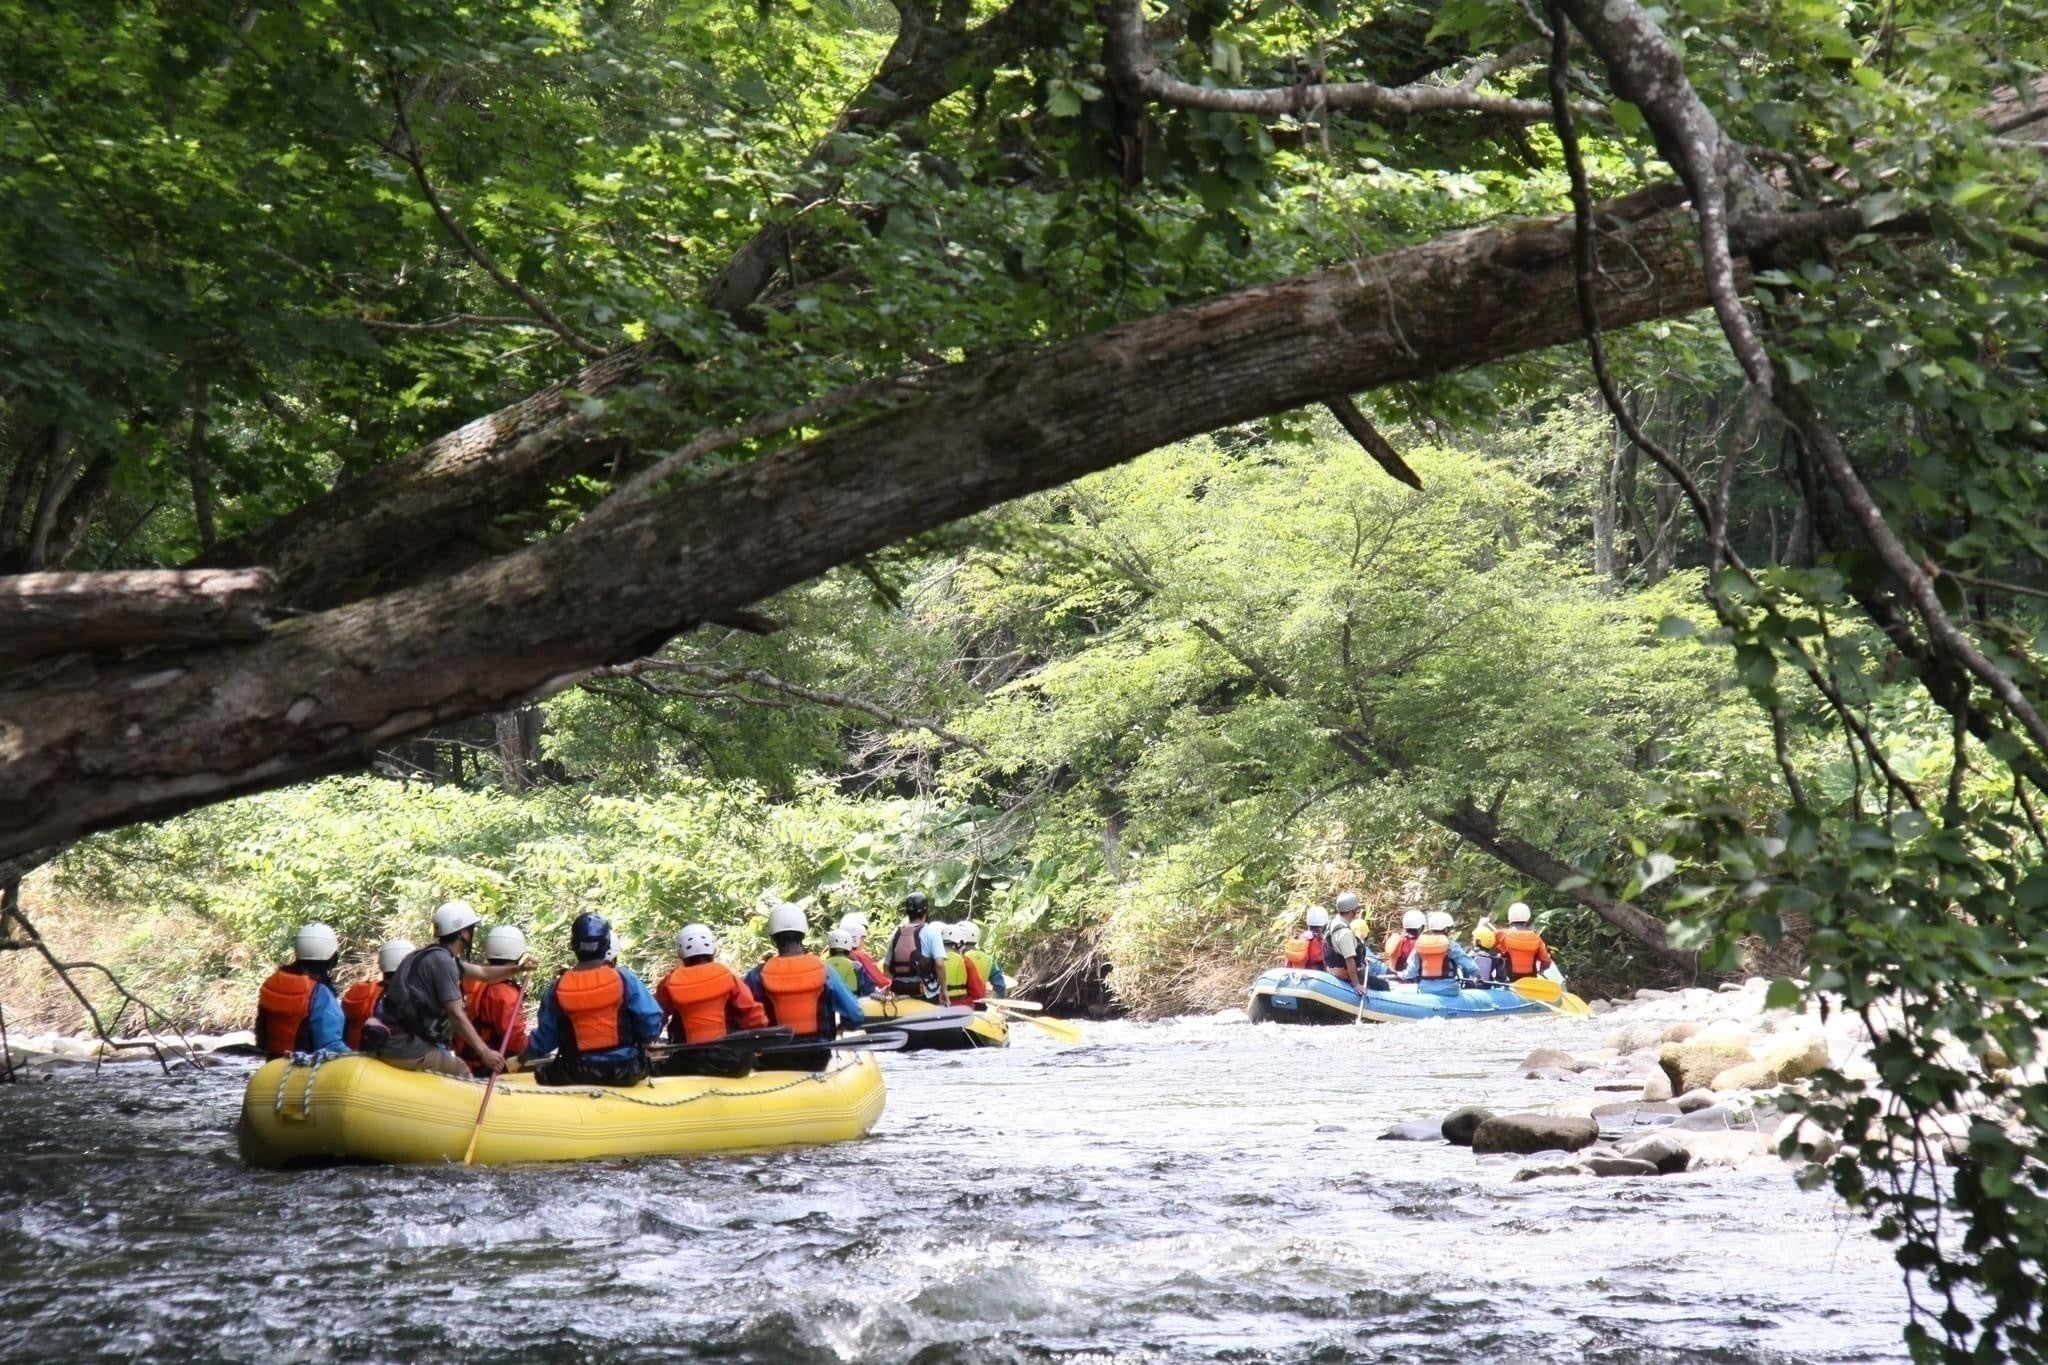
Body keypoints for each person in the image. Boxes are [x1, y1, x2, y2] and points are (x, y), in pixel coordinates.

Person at [374, 901, 531, 1078]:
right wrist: (485, 1052)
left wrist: (519, 969)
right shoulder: (443, 963)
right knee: (461, 1071)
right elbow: (455, 1014)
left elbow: (484, 973)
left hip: (393, 1038)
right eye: (470, 929)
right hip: (405, 1045)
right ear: (463, 933)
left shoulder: (424, 955)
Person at [520, 913, 664, 1086]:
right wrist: (648, 1039)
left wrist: (522, 1058)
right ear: (606, 944)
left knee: (544, 1073)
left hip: (575, 1072)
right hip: (625, 1070)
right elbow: (650, 1019)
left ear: (574, 945)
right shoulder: (625, 979)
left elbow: (545, 1039)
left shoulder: (556, 989)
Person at [746, 904, 867, 1042]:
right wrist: (844, 1025)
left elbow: (742, 1017)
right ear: (803, 934)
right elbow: (855, 1015)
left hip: (774, 1056)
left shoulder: (755, 976)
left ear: (773, 939)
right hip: (819, 1055)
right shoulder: (825, 971)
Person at [655, 922, 769, 1044]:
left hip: (686, 1055)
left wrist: (649, 1039)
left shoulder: (669, 983)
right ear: (713, 950)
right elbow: (752, 1013)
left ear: (680, 953)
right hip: (729, 1053)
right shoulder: (726, 976)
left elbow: (656, 1017)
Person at [256, 922, 351, 1059]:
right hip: (306, 1066)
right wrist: (357, 1057)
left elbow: (261, 1032)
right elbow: (330, 1045)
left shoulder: (271, 983)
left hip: (274, 1064)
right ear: (331, 956)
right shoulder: (320, 992)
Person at [457, 925, 531, 1076]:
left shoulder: (472, 980)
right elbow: (516, 1042)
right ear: (518, 955)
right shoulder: (505, 993)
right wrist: (536, 1046)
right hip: (488, 1066)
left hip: (463, 1060)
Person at [340, 938, 413, 1051]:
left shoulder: (358, 992)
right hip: (392, 1059)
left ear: (381, 964)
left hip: (357, 1059)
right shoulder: (410, 997)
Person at [885, 892, 948, 1000]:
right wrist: (944, 989)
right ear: (926, 911)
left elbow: (886, 967)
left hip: (899, 991)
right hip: (926, 992)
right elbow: (940, 964)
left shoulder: (897, 934)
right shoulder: (931, 932)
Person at [1402, 910, 1482, 994]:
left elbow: (1411, 972)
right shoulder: (1451, 945)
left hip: (1425, 990)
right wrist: (1478, 976)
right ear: (1446, 929)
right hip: (1449, 990)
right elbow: (1468, 964)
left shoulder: (1420, 944)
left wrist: (1403, 975)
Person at [1322, 894, 1387, 991]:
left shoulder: (1333, 923)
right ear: (1353, 911)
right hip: (1346, 974)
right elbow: (1349, 960)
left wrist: (1361, 959)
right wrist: (1356, 985)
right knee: (1383, 985)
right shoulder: (1345, 933)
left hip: (1337, 968)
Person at [1497, 902, 1556, 981]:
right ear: (1527, 918)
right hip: (1529, 980)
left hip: (1508, 979)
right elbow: (1546, 961)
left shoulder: (1502, 934)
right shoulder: (1536, 938)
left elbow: (1486, 946)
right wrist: (1541, 970)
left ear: (1510, 917)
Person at [837, 912, 892, 994]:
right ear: (855, 937)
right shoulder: (858, 956)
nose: (864, 942)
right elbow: (882, 982)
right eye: (862, 938)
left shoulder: (832, 954)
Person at [939, 922, 989, 1005]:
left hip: (936, 1005)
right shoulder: (965, 961)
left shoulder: (932, 959)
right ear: (956, 945)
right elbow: (977, 992)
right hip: (961, 1006)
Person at [825, 928, 884, 997]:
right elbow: (868, 990)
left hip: (827, 1006)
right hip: (851, 1004)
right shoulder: (856, 966)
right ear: (849, 945)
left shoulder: (822, 966)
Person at [960, 920, 1007, 998]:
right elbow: (1000, 986)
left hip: (957, 1003)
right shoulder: (988, 960)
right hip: (979, 1002)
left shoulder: (955, 957)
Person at [1383, 908, 1425, 973]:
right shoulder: (1419, 943)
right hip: (1412, 978)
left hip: (1394, 975)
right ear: (1421, 928)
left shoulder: (1395, 938)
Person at [1468, 921, 1503, 985]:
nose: (1472, 940)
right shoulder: (1497, 958)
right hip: (1487, 987)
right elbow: (1501, 978)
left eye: (1474, 938)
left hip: (1470, 987)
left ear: (1478, 942)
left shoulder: (1471, 956)